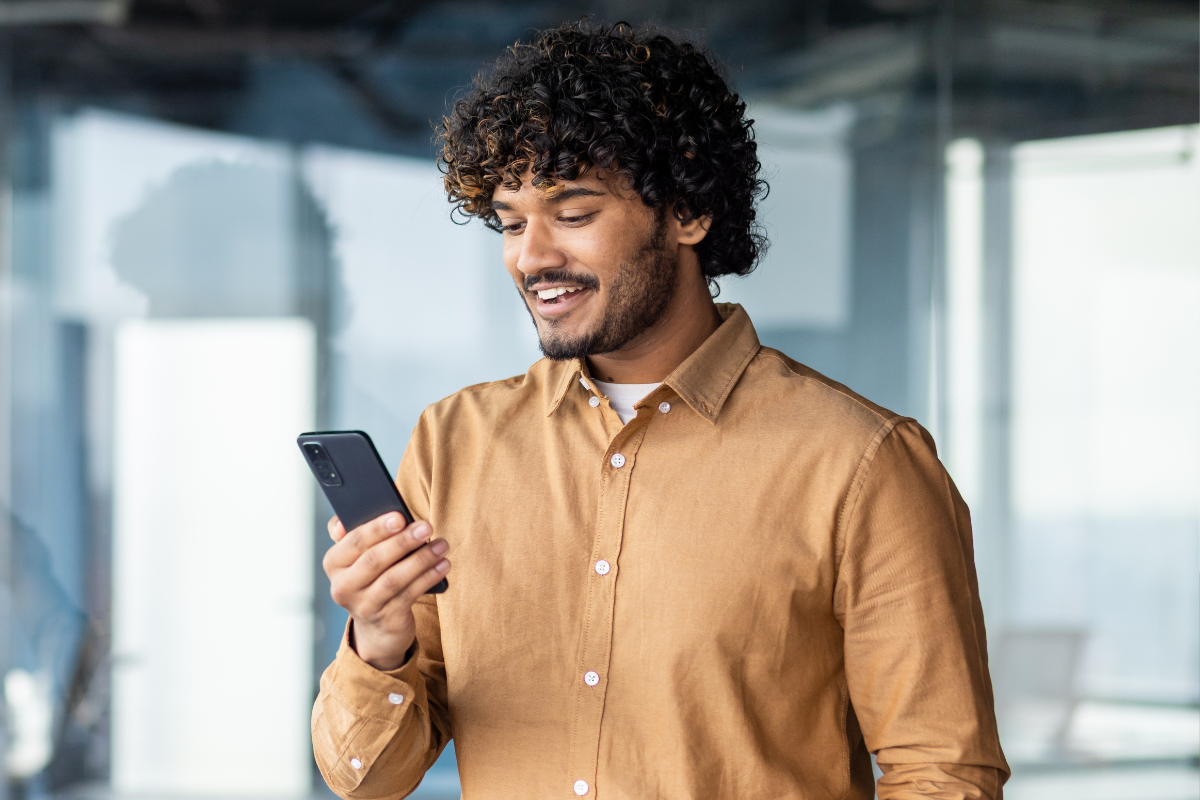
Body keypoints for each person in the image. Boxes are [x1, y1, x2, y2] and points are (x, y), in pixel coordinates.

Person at [311, 20, 1009, 800]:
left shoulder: (862, 461)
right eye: (510, 223)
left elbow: (945, 775)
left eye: (573, 214)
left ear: (688, 213)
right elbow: (369, 779)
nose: (532, 256)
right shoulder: (454, 443)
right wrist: (379, 640)